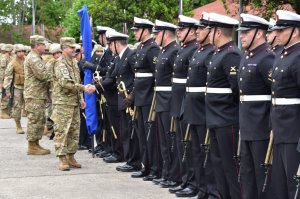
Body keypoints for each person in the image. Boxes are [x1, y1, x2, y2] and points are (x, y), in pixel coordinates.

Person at [237, 13, 275, 199]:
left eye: (246, 32)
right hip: (246, 125)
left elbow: (275, 94)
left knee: (262, 177)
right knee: (247, 174)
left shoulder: (267, 58)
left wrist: (270, 126)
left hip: (261, 127)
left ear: (259, 34)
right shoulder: (247, 56)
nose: (241, 36)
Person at [205, 13, 242, 199]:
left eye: (209, 30)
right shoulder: (218, 53)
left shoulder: (231, 54)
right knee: (218, 165)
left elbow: (237, 89)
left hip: (227, 119)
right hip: (215, 117)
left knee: (231, 168)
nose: (207, 33)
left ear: (218, 31)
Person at [182, 13, 219, 199]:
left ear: (211, 31)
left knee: (208, 153)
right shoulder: (198, 51)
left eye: (202, 29)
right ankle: (199, 186)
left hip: (204, 109)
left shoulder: (212, 52)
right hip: (192, 108)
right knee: (195, 151)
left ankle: (211, 190)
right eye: (197, 28)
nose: (197, 32)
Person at [124, 16, 161, 181]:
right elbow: (138, 76)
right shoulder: (141, 47)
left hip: (148, 99)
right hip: (140, 98)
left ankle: (154, 168)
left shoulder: (153, 49)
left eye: (137, 30)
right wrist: (132, 94)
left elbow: (156, 76)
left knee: (150, 136)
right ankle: (146, 166)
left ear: (146, 31)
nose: (135, 33)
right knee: (142, 136)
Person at [269, 10, 300, 199]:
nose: (277, 34)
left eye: (282, 30)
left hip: (293, 128)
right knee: (279, 182)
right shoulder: (282, 55)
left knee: (292, 182)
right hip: (280, 126)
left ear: (295, 31)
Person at [168, 15, 199, 197]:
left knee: (189, 145)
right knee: (182, 145)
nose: (178, 32)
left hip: (188, 103)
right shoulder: (183, 49)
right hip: (178, 101)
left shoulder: (194, 50)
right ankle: (185, 179)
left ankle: (193, 182)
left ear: (192, 31)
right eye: (178, 30)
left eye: (182, 29)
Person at [51, 37, 91, 171]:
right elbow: (66, 83)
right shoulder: (60, 63)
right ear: (63, 49)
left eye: (75, 48)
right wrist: (84, 88)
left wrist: (81, 99)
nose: (74, 50)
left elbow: (76, 80)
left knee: (74, 131)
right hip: (62, 103)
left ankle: (71, 156)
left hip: (73, 102)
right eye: (71, 48)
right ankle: (62, 158)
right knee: (62, 131)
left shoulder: (74, 62)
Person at [151, 19, 180, 188]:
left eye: (157, 33)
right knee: (163, 140)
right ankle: (167, 173)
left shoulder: (174, 51)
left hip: (169, 99)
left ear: (166, 34)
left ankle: (173, 175)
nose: (155, 36)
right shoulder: (164, 51)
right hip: (161, 99)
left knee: (171, 140)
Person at [24, 35, 52, 155]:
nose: (44, 47)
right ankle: (32, 146)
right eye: (43, 45)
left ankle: (35, 143)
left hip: (37, 94)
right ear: (37, 46)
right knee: (35, 119)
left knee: (39, 119)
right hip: (34, 94)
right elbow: (43, 75)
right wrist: (55, 75)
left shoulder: (36, 57)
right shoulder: (34, 58)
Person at [3, 44, 26, 134]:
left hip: (28, 87)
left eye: (23, 51)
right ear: (16, 52)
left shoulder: (27, 60)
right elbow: (8, 77)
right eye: (19, 51)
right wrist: (7, 90)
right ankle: (18, 126)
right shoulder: (12, 63)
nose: (21, 53)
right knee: (17, 107)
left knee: (30, 107)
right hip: (17, 88)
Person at [44, 43, 62, 139]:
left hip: (62, 92)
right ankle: (51, 130)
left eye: (59, 53)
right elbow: (46, 77)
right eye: (55, 54)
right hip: (52, 91)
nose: (57, 55)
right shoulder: (50, 63)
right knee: (51, 111)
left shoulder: (65, 62)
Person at [0, 44, 13, 119]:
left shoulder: (9, 57)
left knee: (8, 95)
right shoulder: (4, 58)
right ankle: (3, 112)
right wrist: (1, 81)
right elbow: (2, 71)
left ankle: (7, 111)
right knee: (4, 95)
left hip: (8, 79)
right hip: (5, 79)